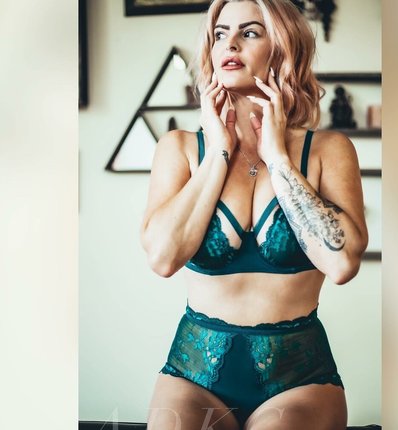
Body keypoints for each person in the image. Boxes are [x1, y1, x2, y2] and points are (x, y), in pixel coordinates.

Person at [140, 0, 368, 428]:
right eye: (220, 33)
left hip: (299, 381)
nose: (229, 44)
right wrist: (218, 151)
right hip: (192, 377)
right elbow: (163, 258)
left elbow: (341, 264)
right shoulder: (180, 149)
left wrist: (278, 159)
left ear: (282, 47)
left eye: (248, 32)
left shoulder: (327, 150)